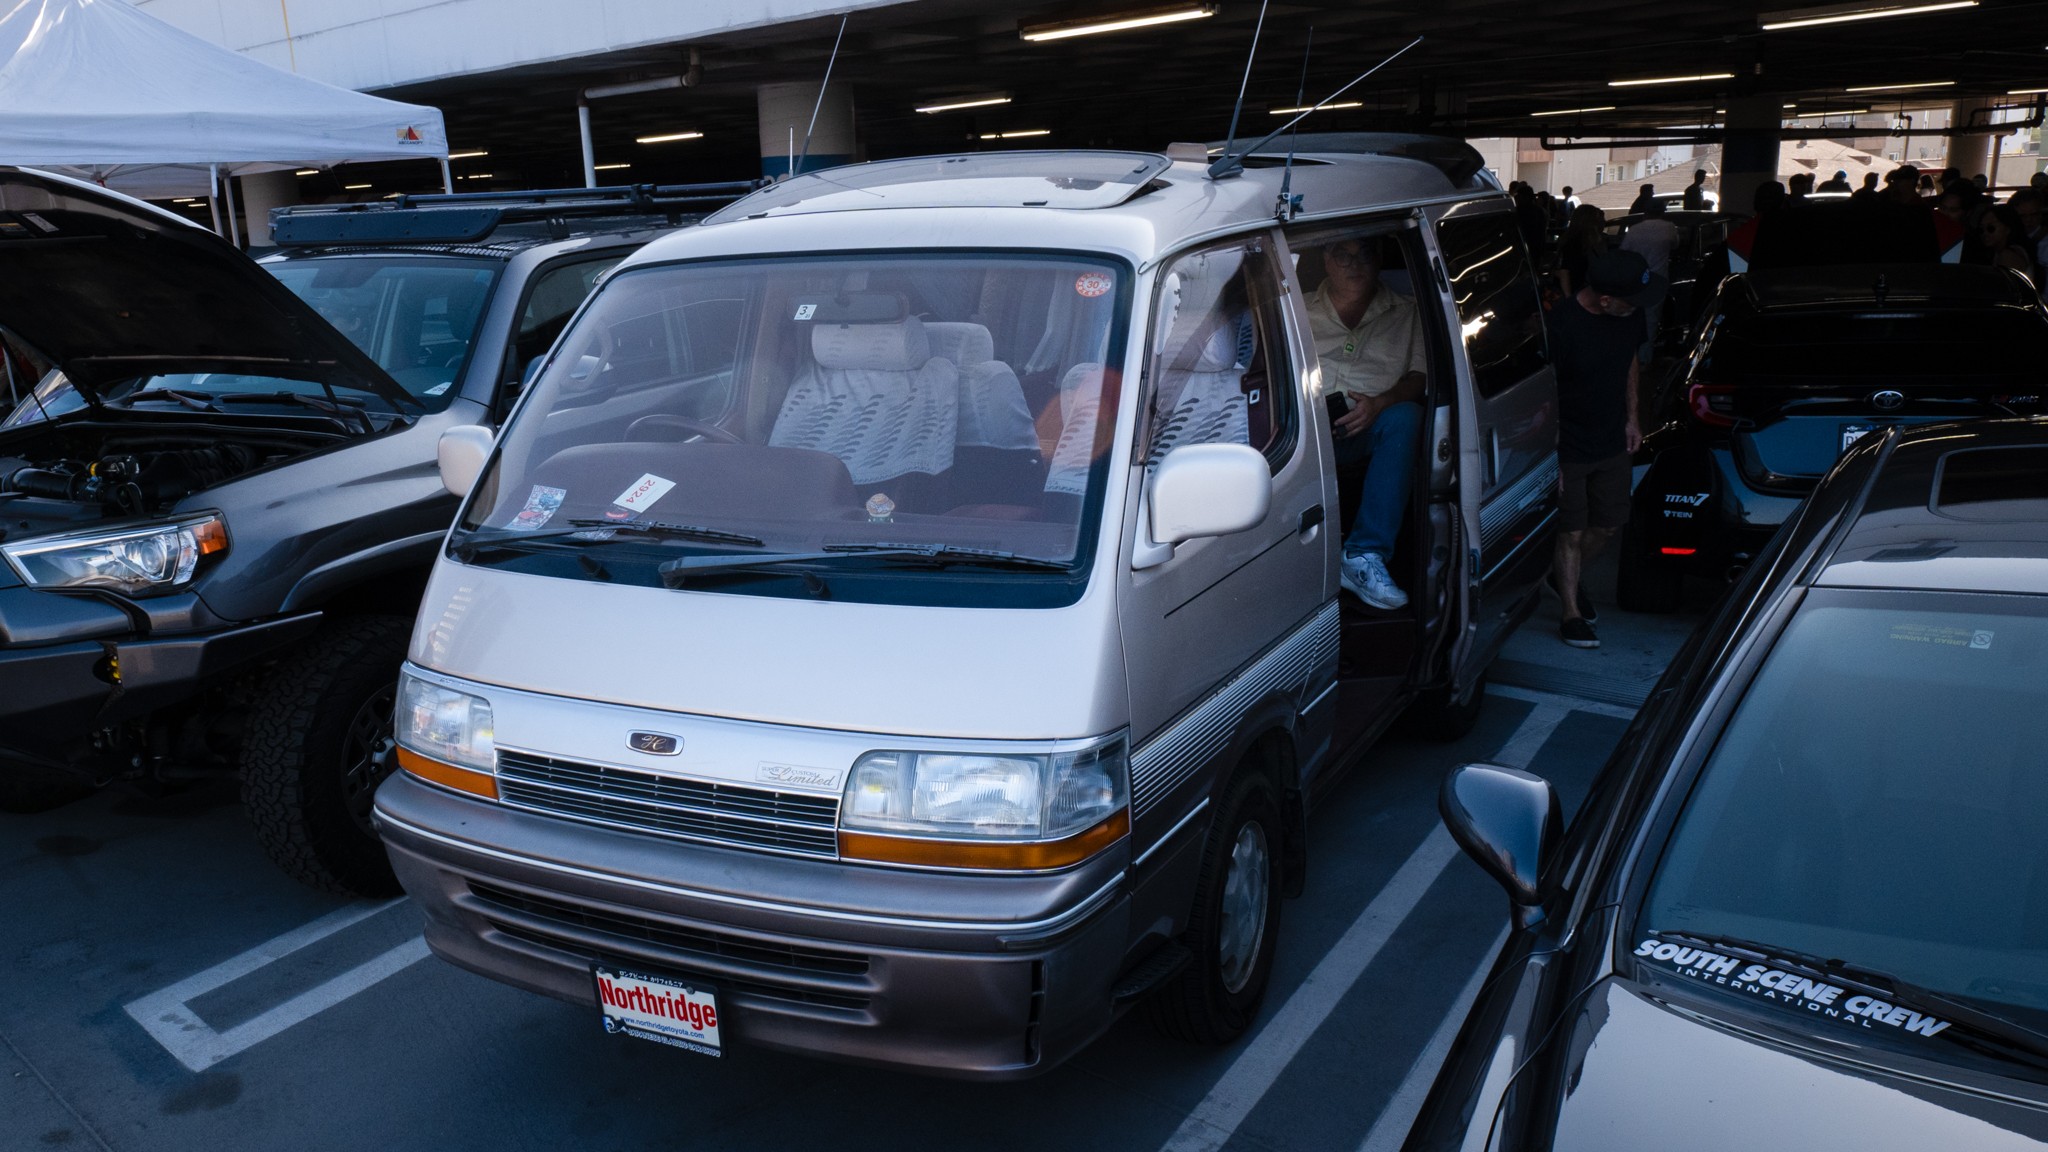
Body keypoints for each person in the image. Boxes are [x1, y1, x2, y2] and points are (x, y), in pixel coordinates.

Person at [1306, 237, 1426, 610]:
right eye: (1343, 254)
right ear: (1326, 259)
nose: (1353, 264)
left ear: (1379, 260)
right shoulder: (1296, 307)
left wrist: (1379, 404)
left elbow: (1420, 378)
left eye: (1365, 254)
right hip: (1304, 430)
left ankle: (1363, 554)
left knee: (1407, 416)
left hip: (1368, 426)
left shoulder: (1409, 311)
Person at [1547, 249, 1649, 649]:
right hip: (1568, 442)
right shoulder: (1562, 326)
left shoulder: (1630, 312)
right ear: (1604, 300)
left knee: (1607, 524)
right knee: (1569, 531)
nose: (1638, 309)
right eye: (1629, 302)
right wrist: (1548, 456)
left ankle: (1562, 577)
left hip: (1610, 436)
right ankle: (1570, 612)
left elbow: (1630, 361)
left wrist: (1633, 416)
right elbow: (1545, 392)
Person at [1619, 199, 1677, 361]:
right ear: (1663, 212)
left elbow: (1624, 252)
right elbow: (1675, 245)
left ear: (1645, 212)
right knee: (1651, 320)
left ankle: (1629, 356)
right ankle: (1645, 358)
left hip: (1635, 279)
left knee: (1630, 317)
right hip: (1658, 278)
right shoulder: (1669, 228)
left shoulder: (1634, 230)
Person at [1556, 203, 1607, 296]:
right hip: (1577, 291)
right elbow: (1564, 271)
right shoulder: (1576, 242)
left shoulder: (1581, 241)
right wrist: (1569, 298)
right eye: (1599, 219)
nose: (1603, 222)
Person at [1976, 204, 2037, 279]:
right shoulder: (2003, 252)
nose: (1985, 233)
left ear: (2007, 228)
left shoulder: (2008, 256)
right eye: (1981, 229)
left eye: (1991, 228)